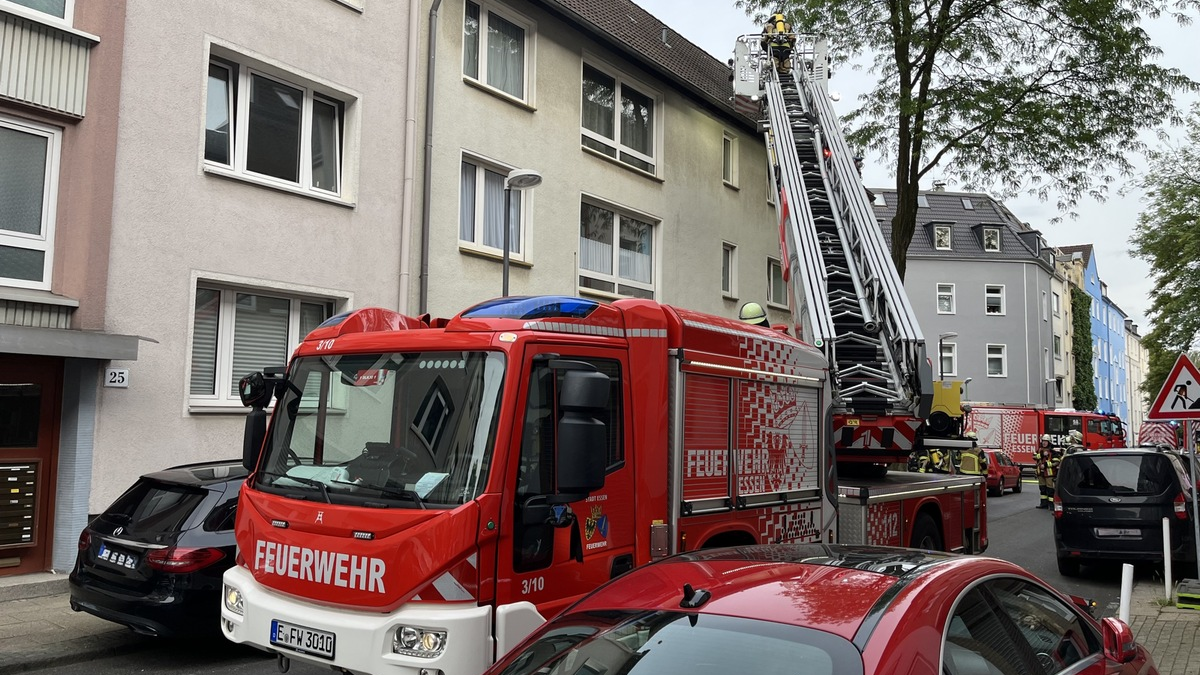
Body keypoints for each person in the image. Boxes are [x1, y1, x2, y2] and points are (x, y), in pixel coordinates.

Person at [1035, 434, 1053, 508]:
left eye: (1046, 441)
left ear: (1049, 442)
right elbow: (1034, 456)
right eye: (1043, 441)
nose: (1044, 443)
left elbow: (1056, 461)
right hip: (1040, 473)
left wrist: (1046, 465)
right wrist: (1041, 454)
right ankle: (1043, 504)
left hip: (1049, 473)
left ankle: (1051, 505)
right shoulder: (1039, 450)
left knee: (1050, 489)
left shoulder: (1052, 451)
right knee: (1042, 489)